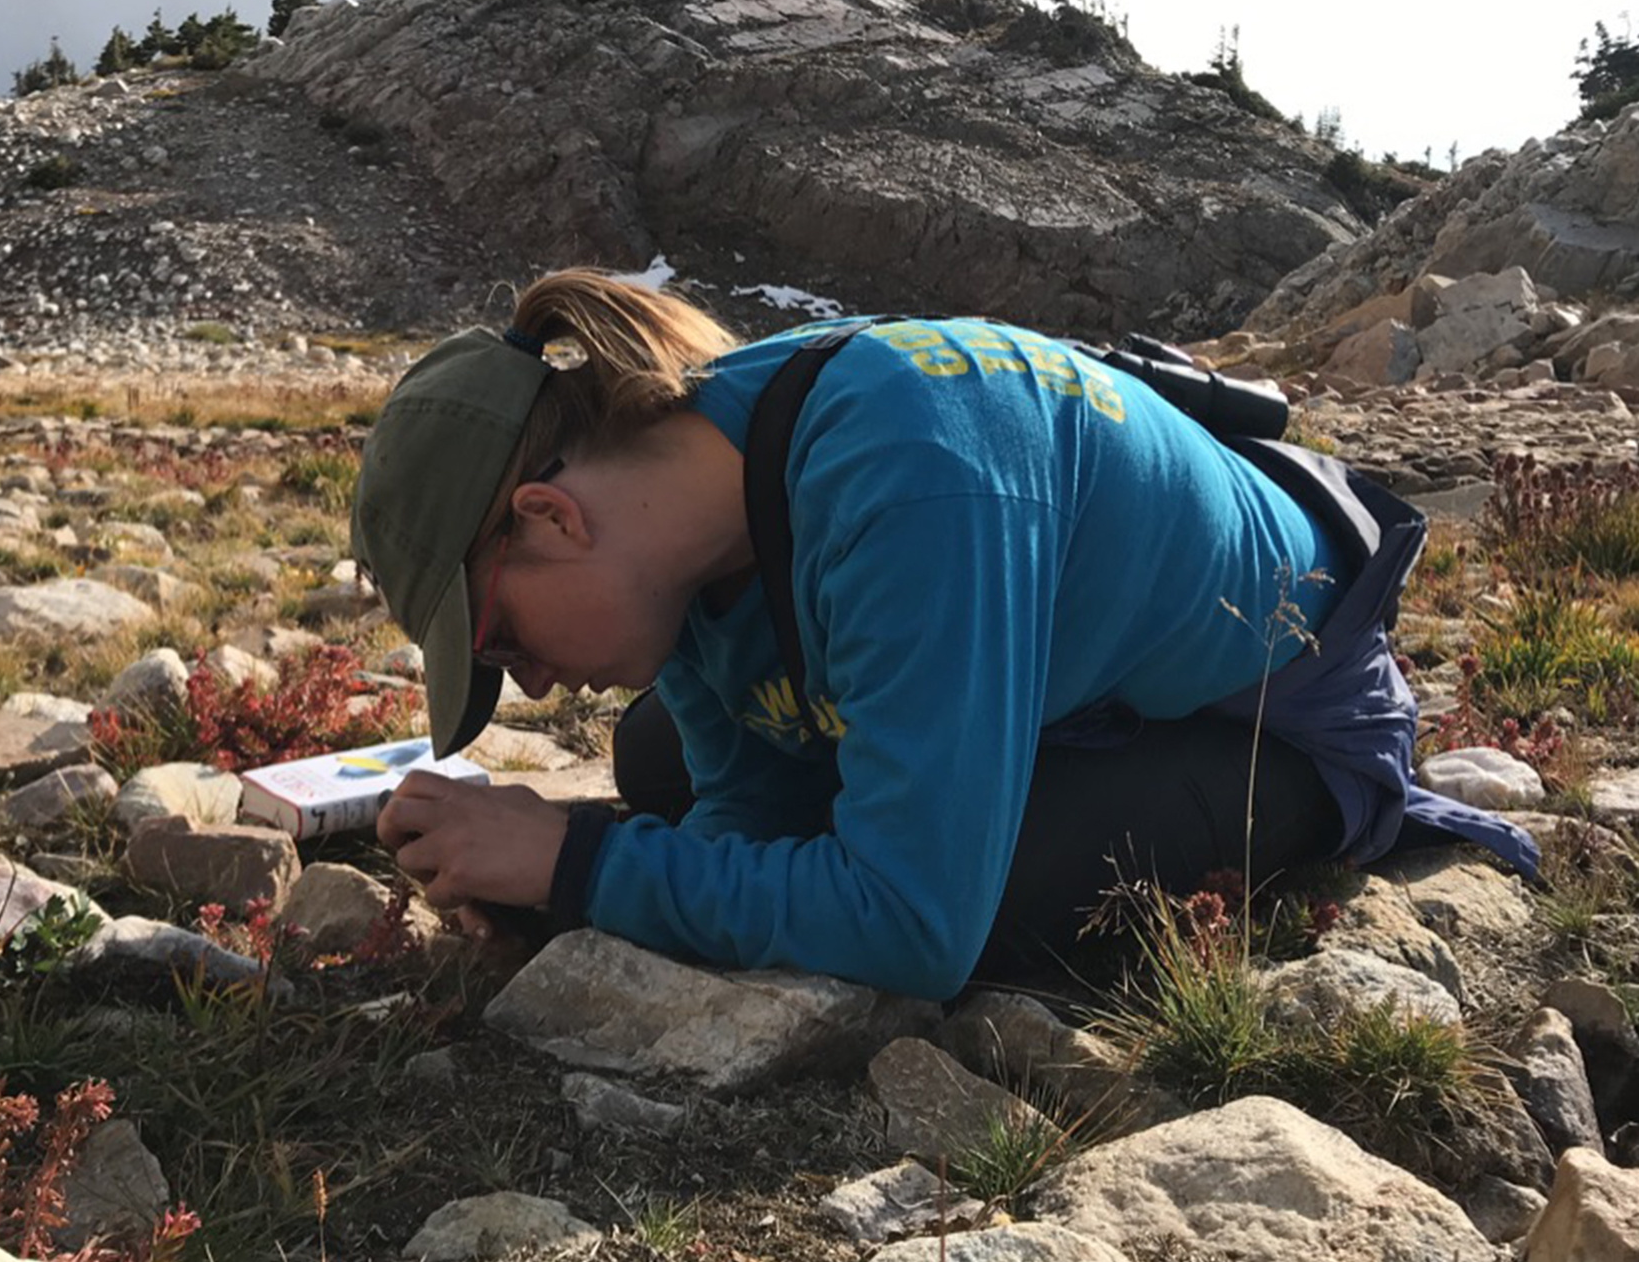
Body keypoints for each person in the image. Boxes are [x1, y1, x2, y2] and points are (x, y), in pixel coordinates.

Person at [350, 269, 1536, 1002]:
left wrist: (574, 862)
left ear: (551, 517)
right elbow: (743, 817)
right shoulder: (688, 534)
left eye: (505, 642)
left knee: (981, 911)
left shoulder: (908, 471)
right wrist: (574, 886)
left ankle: (1301, 813)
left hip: (1262, 726)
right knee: (658, 757)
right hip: (1056, 696)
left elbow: (912, 929)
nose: (539, 686)